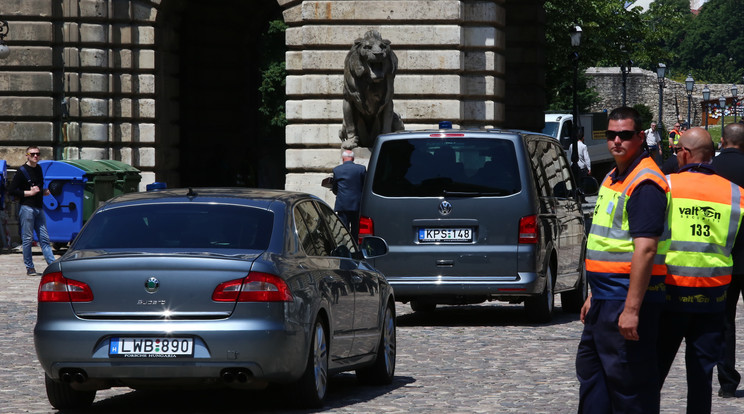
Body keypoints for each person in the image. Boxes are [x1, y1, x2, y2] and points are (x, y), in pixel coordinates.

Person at [576, 107, 670, 413]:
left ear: (640, 137)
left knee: (629, 386)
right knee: (593, 376)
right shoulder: (613, 176)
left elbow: (645, 249)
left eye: (625, 135)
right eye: (611, 134)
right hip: (605, 297)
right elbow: (607, 242)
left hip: (625, 298)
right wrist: (593, 293)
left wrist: (631, 310)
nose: (617, 140)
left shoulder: (644, 183)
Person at [657, 127, 744, 413]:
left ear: (684, 153)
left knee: (652, 374)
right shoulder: (735, 194)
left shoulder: (665, 185)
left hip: (669, 292)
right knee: (701, 379)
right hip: (712, 295)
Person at [712, 122, 744, 398]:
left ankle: (727, 381)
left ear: (722, 141)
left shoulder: (711, 171)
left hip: (722, 256)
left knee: (724, 321)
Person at [7, 146, 56, 276]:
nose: (36, 156)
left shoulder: (39, 169)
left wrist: (43, 192)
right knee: (28, 239)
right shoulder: (21, 171)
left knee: (45, 239)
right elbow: (11, 191)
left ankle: (52, 265)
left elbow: (38, 187)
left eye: (38, 154)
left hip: (39, 208)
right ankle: (30, 267)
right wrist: (29, 193)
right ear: (27, 155)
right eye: (33, 154)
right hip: (27, 208)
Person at [332, 149, 366, 239]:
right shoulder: (361, 169)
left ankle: (346, 250)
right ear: (353, 158)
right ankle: (355, 249)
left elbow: (334, 188)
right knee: (356, 230)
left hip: (343, 205)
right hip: (356, 205)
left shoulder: (337, 170)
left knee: (344, 231)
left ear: (343, 158)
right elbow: (365, 186)